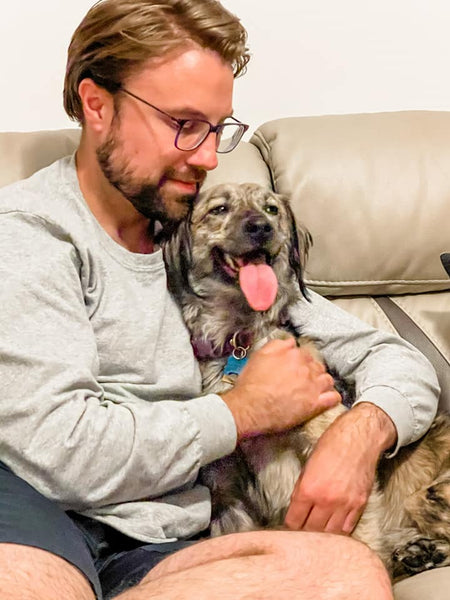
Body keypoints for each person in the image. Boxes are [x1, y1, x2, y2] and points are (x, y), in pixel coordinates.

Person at [0, 1, 439, 599]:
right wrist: (243, 411)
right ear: (97, 105)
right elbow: (65, 449)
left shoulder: (217, 258)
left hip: (161, 539)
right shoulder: (30, 235)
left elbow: (397, 360)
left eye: (216, 128)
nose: (208, 157)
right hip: (40, 509)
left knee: (347, 573)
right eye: (184, 124)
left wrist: (358, 436)